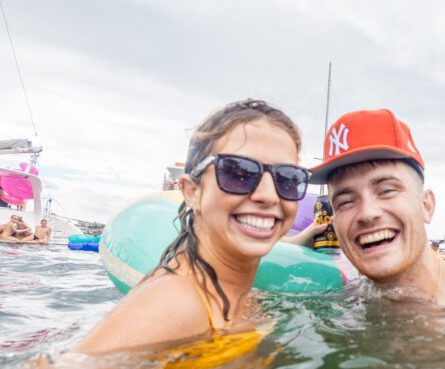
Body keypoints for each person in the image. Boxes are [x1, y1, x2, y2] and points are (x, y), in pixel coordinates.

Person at [74, 99, 308, 354]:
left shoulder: (228, 294)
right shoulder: (174, 303)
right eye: (238, 173)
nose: (269, 196)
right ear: (191, 191)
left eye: (288, 179)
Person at [308, 109, 445, 306]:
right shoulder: (346, 300)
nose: (367, 213)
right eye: (345, 202)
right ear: (334, 222)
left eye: (386, 191)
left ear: (426, 205)